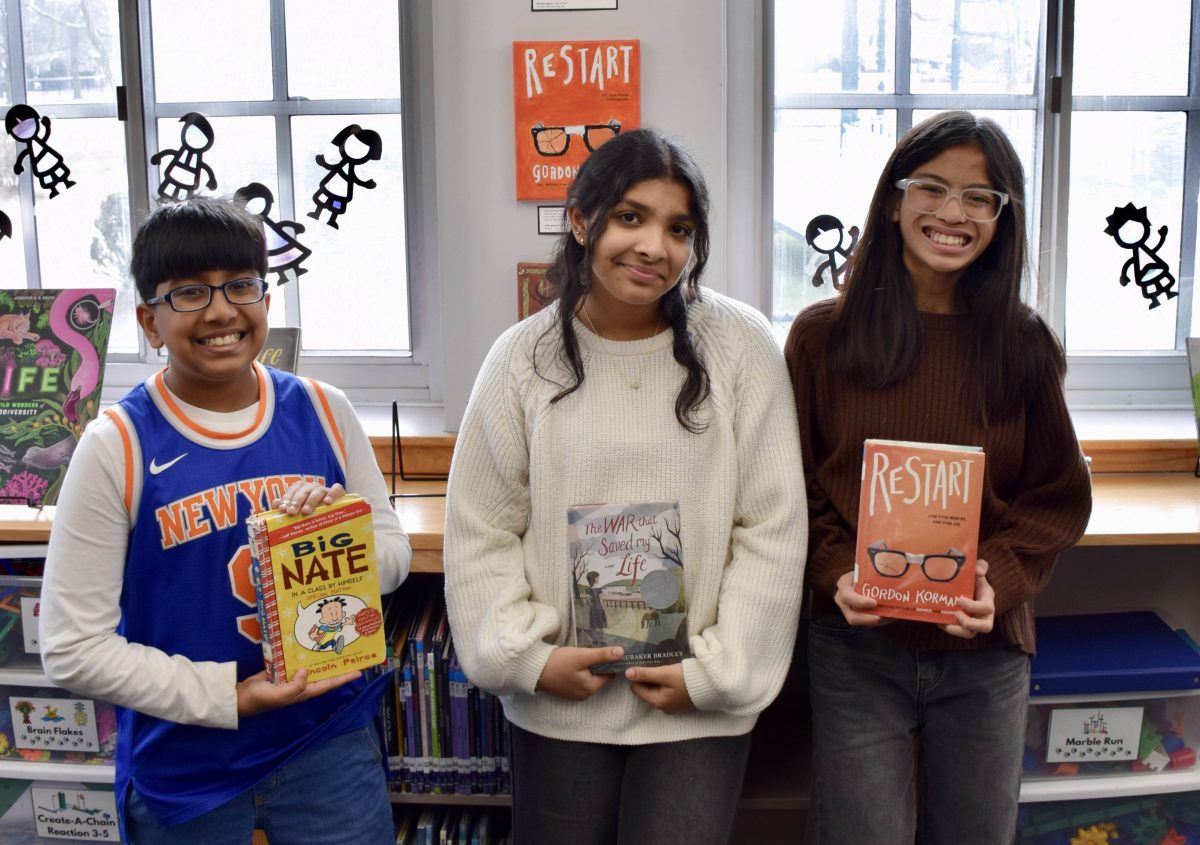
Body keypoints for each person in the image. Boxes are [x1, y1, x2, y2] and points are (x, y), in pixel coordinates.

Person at [443, 128, 807, 845]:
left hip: (695, 704)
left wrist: (717, 673)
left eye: (679, 228)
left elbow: (772, 525)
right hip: (563, 700)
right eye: (631, 217)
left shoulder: (741, 346)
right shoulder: (522, 358)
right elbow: (482, 526)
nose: (653, 247)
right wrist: (529, 658)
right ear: (581, 220)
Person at [39, 196, 411, 845]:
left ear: (266, 299)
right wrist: (226, 697)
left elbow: (394, 556)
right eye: (189, 291)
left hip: (328, 741)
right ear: (149, 321)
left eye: (240, 284)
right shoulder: (115, 446)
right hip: (187, 766)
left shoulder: (326, 410)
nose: (220, 309)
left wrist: (339, 536)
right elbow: (72, 646)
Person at [784, 110, 1093, 844]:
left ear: (1000, 218)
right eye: (933, 187)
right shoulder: (822, 337)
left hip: (983, 648)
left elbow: (1057, 494)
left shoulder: (1023, 344)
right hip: (858, 645)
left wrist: (999, 578)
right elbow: (788, 485)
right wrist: (834, 571)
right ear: (894, 201)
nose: (953, 213)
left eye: (980, 197)